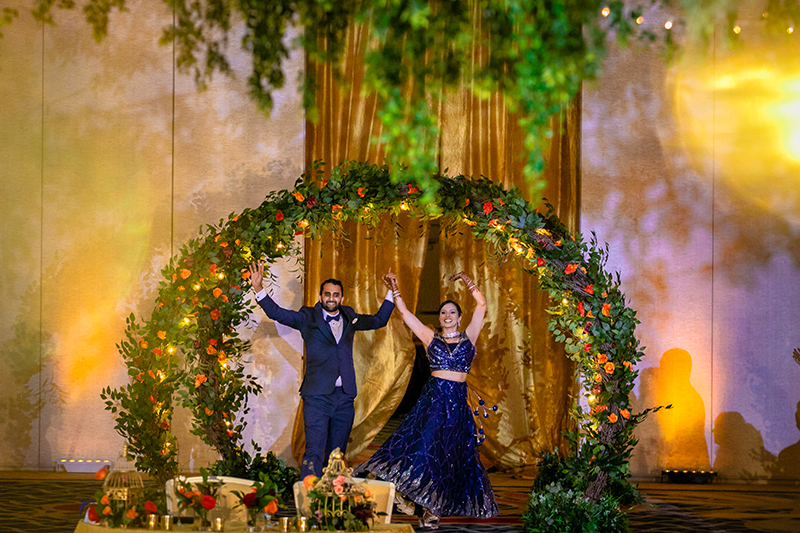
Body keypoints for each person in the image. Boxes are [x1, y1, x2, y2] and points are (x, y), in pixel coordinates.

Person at [353, 269, 499, 529]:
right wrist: (395, 289)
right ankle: (429, 509)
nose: (447, 315)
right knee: (428, 452)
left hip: (457, 407)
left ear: (459, 317)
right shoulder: (430, 337)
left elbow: (482, 304)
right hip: (433, 403)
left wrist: (469, 283)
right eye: (443, 312)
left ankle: (433, 507)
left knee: (450, 456)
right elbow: (406, 315)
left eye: (452, 312)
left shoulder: (470, 337)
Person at [248, 261, 395, 478]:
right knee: (314, 452)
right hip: (317, 397)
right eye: (327, 294)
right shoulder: (308, 317)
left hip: (344, 397)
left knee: (337, 455)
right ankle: (308, 499)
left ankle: (332, 501)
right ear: (320, 297)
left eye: (336, 295)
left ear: (341, 298)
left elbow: (379, 320)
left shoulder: (349, 316)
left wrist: (391, 292)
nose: (331, 298)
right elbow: (278, 313)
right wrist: (259, 289)